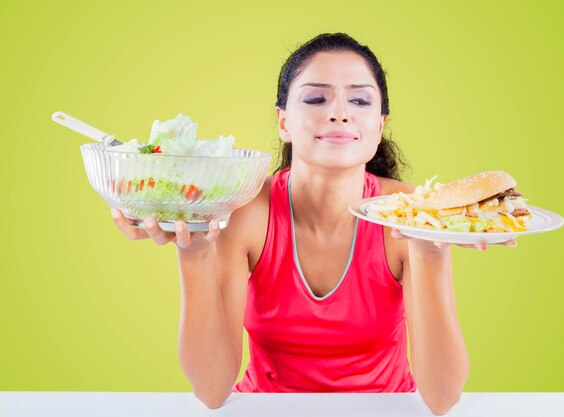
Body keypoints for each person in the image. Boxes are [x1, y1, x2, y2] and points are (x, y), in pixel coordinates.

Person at [111, 33, 517, 415]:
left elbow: (443, 398)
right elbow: (212, 389)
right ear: (284, 122)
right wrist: (193, 252)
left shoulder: (413, 212)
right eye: (317, 98)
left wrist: (428, 246)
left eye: (359, 101)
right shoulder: (246, 212)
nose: (339, 113)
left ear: (379, 125)